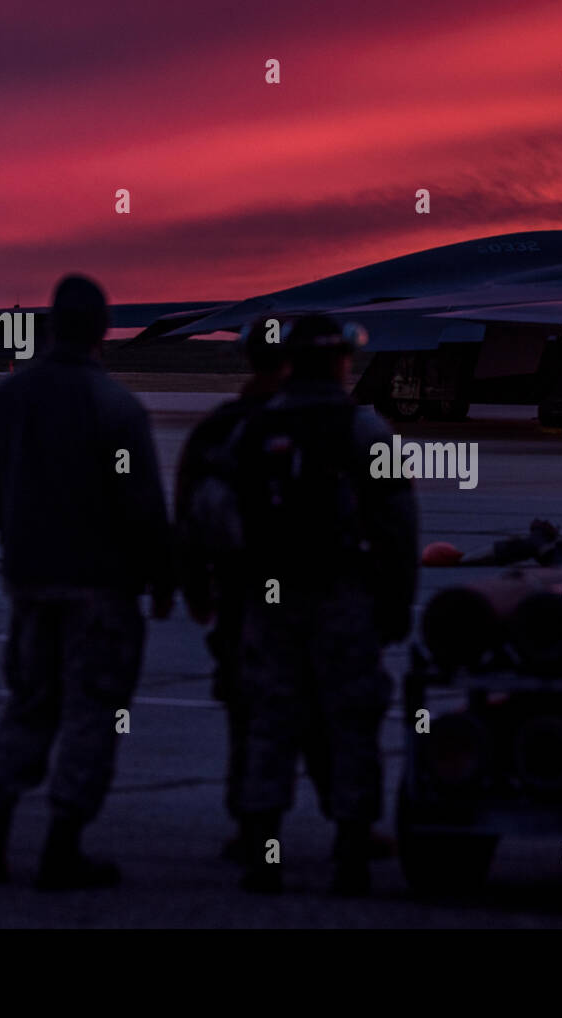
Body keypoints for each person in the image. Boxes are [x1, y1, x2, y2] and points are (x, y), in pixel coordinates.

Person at [0, 274, 174, 890]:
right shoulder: (115, 407)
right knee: (91, 713)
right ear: (101, 333)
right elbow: (143, 504)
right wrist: (163, 579)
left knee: (29, 706)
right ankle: (60, 848)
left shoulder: (3, 401)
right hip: (99, 591)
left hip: (29, 584)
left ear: (51, 326)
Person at [223, 314, 419, 895]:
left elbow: (226, 517)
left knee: (271, 720)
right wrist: (397, 602)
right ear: (339, 362)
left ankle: (263, 855)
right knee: (352, 722)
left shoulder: (255, 429)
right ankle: (352, 855)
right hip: (343, 595)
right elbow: (397, 525)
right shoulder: (364, 431)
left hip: (270, 599)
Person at [174, 317, 292, 859]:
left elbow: (189, 511)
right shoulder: (332, 424)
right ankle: (351, 833)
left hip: (242, 594)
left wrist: (194, 586)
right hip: (320, 596)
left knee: (247, 708)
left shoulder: (219, 427)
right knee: (334, 708)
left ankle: (253, 828)